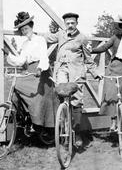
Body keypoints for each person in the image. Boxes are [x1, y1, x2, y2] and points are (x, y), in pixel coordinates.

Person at [43, 12, 100, 147]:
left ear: (76, 24)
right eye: (67, 23)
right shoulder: (60, 34)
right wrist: (30, 34)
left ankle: (77, 132)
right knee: (62, 96)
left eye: (72, 23)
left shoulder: (82, 38)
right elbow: (46, 37)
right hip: (62, 70)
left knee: (76, 101)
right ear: (64, 24)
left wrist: (95, 73)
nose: (70, 25)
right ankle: (62, 130)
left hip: (76, 72)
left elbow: (88, 58)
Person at [3, 11, 56, 132]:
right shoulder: (25, 43)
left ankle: (37, 123)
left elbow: (44, 57)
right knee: (17, 86)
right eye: (22, 30)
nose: (24, 31)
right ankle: (21, 117)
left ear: (31, 27)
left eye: (26, 28)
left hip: (41, 71)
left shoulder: (40, 40)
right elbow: (21, 60)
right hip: (29, 71)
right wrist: (8, 55)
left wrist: (40, 68)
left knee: (37, 96)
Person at [91, 14, 122, 130]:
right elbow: (104, 47)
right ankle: (113, 120)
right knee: (111, 94)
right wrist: (91, 50)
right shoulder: (115, 38)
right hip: (113, 68)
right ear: (121, 27)